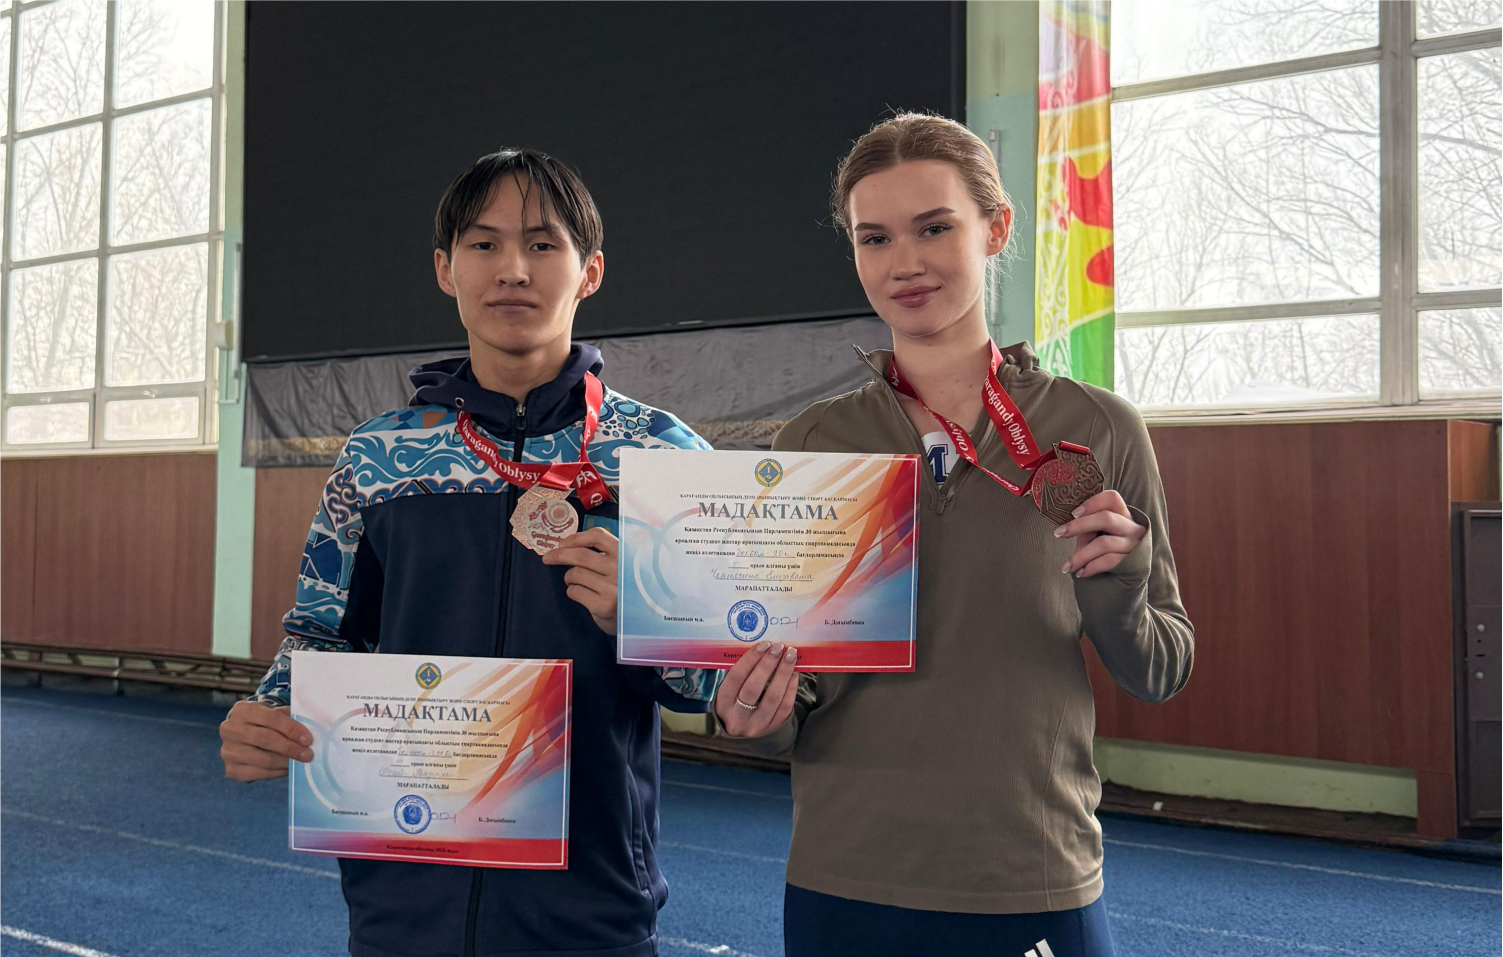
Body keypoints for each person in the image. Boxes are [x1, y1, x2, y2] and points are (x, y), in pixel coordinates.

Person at [218, 148, 720, 957]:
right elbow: (320, 633)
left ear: (590, 272)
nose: (512, 269)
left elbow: (709, 680)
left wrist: (648, 618)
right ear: (445, 269)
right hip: (402, 899)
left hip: (590, 905)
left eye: (543, 244)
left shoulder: (662, 457)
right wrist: (269, 713)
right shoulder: (378, 458)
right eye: (484, 244)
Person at [714, 113, 1195, 957]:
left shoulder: (1098, 427)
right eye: (874, 238)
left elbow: (1158, 669)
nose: (903, 261)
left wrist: (1119, 585)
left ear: (994, 229)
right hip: (843, 871)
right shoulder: (811, 442)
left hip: (1028, 870)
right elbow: (795, 687)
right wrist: (754, 708)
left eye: (934, 227)